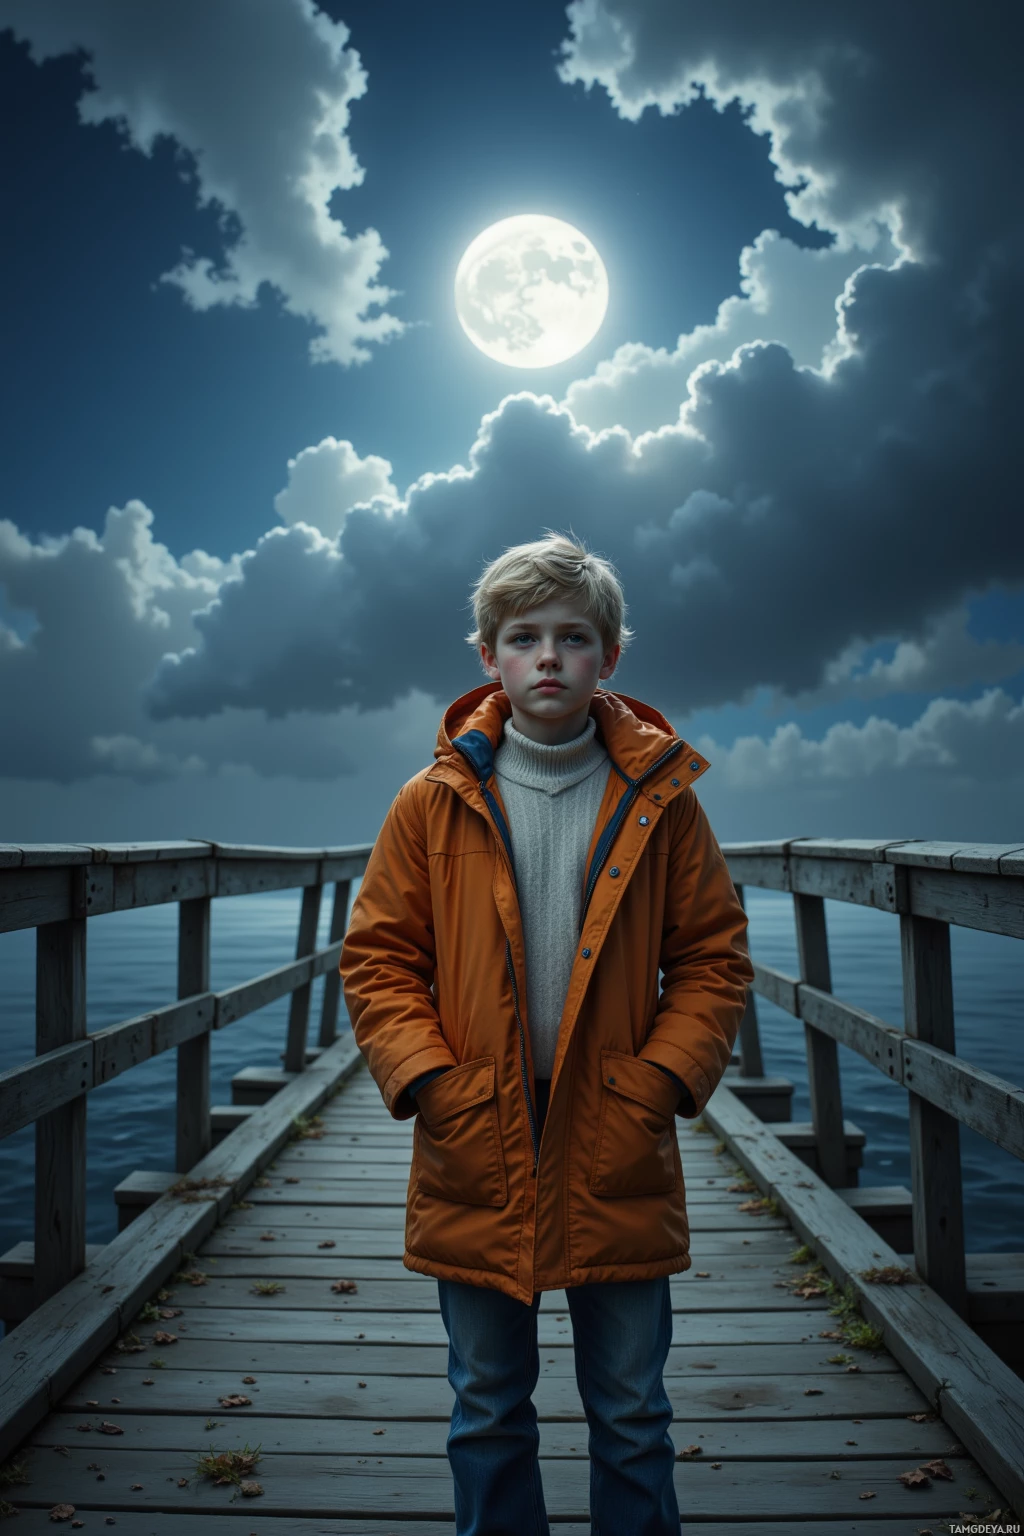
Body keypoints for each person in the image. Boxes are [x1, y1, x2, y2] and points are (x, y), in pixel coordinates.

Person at [339, 530, 754, 1536]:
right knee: (486, 1408)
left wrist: (661, 1079)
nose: (549, 657)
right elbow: (378, 958)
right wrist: (429, 1080)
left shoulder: (664, 803)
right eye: (523, 637)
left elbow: (711, 956)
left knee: (631, 1410)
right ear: (488, 657)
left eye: (573, 637)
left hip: (614, 1123)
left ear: (609, 656)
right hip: (475, 1126)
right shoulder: (427, 805)